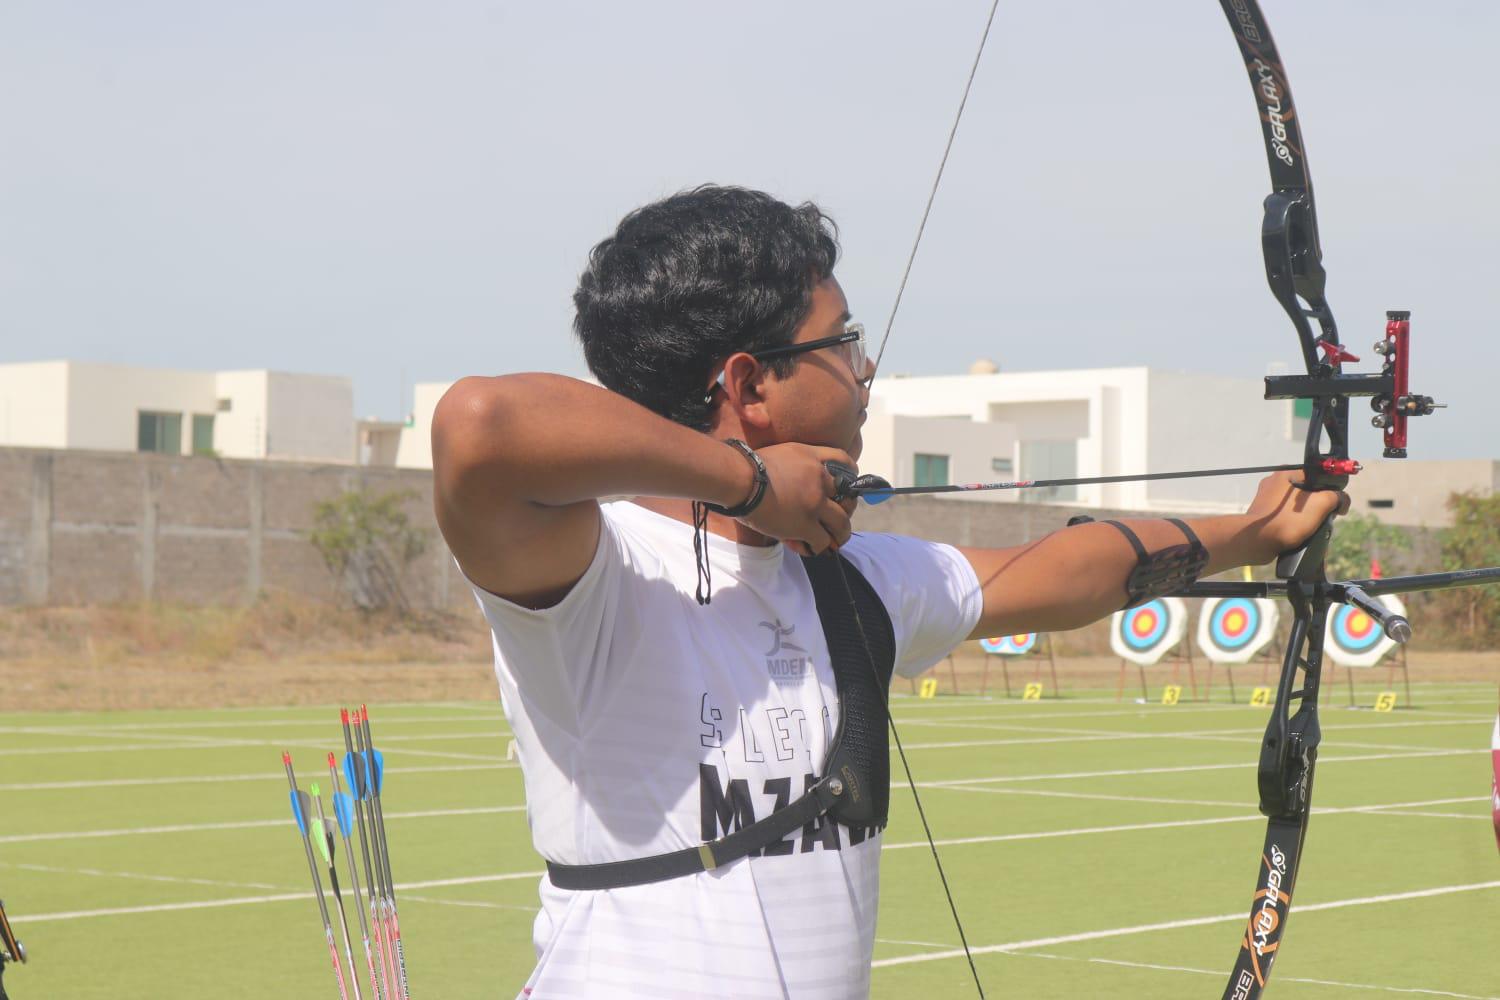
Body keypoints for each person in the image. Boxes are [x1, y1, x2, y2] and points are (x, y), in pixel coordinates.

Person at [430, 185, 1344, 999]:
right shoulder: (596, 578)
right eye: (844, 343)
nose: (865, 372)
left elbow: (1068, 570)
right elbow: (481, 427)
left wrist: (1253, 532)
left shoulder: (846, 579)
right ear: (749, 384)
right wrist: (749, 482)